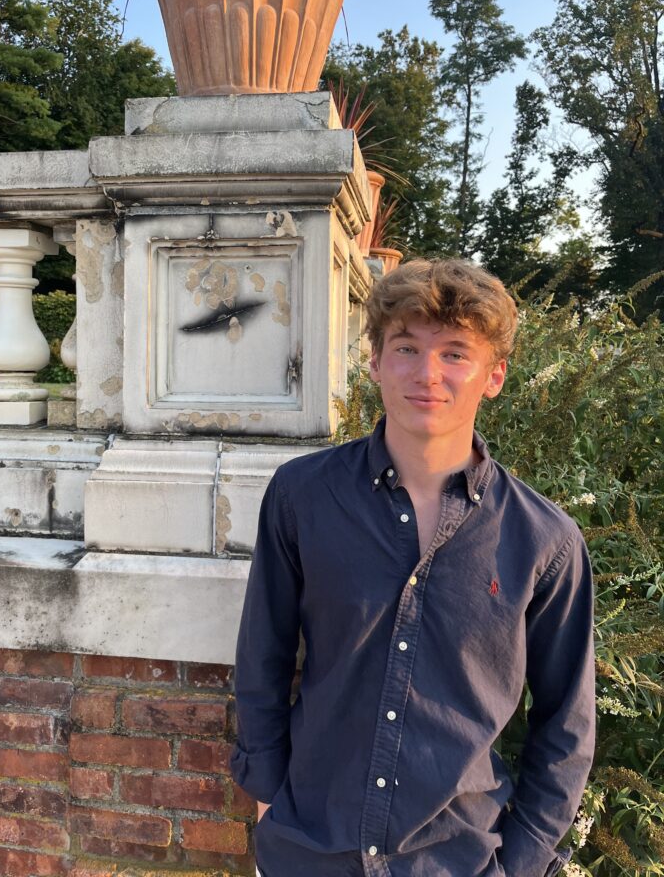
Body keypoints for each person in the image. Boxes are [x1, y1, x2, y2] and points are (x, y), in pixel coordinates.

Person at [229, 258, 595, 877]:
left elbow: (566, 722)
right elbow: (263, 654)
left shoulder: (546, 540)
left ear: (494, 376)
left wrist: (525, 860)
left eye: (455, 353)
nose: (427, 373)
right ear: (374, 362)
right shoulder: (302, 496)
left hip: (458, 859)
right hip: (308, 848)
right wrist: (268, 800)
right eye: (406, 347)